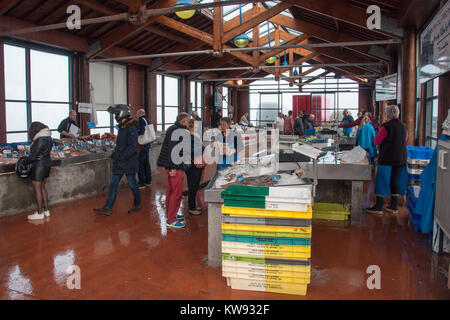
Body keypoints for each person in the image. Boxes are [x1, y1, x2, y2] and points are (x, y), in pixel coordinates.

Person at [94, 105, 141, 216]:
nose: (115, 116)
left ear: (122, 113)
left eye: (116, 114)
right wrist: (115, 154)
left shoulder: (131, 128)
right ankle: (108, 207)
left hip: (128, 162)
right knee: (114, 183)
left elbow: (133, 147)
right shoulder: (123, 126)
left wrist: (121, 157)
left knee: (132, 184)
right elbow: (121, 145)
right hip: (121, 162)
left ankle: (137, 204)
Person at [366, 105, 408, 215]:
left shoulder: (386, 127)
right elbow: (405, 139)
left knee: (382, 180)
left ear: (387, 114)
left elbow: (377, 141)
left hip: (387, 157)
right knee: (395, 180)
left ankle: (379, 206)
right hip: (400, 157)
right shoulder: (404, 126)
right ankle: (393, 206)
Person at [157, 112, 191, 229]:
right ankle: (171, 219)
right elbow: (173, 150)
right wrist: (173, 167)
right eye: (188, 121)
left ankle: (172, 213)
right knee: (176, 193)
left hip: (173, 165)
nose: (189, 123)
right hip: (175, 166)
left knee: (171, 191)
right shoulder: (176, 131)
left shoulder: (174, 129)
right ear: (183, 121)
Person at [23, 122, 53, 220]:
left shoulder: (39, 140)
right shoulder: (49, 138)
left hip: (38, 166)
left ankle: (39, 213)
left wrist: (23, 162)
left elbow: (33, 156)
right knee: (43, 188)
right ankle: (46, 211)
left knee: (37, 190)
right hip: (47, 165)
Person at [185, 119, 205, 216]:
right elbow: (191, 150)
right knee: (192, 186)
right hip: (193, 166)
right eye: (195, 127)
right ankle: (191, 207)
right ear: (190, 127)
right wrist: (203, 148)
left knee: (195, 185)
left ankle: (193, 205)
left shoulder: (195, 136)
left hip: (196, 164)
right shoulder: (189, 136)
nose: (197, 128)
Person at [136, 108, 152, 189]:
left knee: (140, 163)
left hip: (143, 144)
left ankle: (141, 182)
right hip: (148, 143)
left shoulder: (141, 120)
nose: (136, 115)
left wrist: (134, 132)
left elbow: (141, 131)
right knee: (146, 163)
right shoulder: (147, 119)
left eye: (137, 113)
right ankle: (148, 180)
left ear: (140, 113)